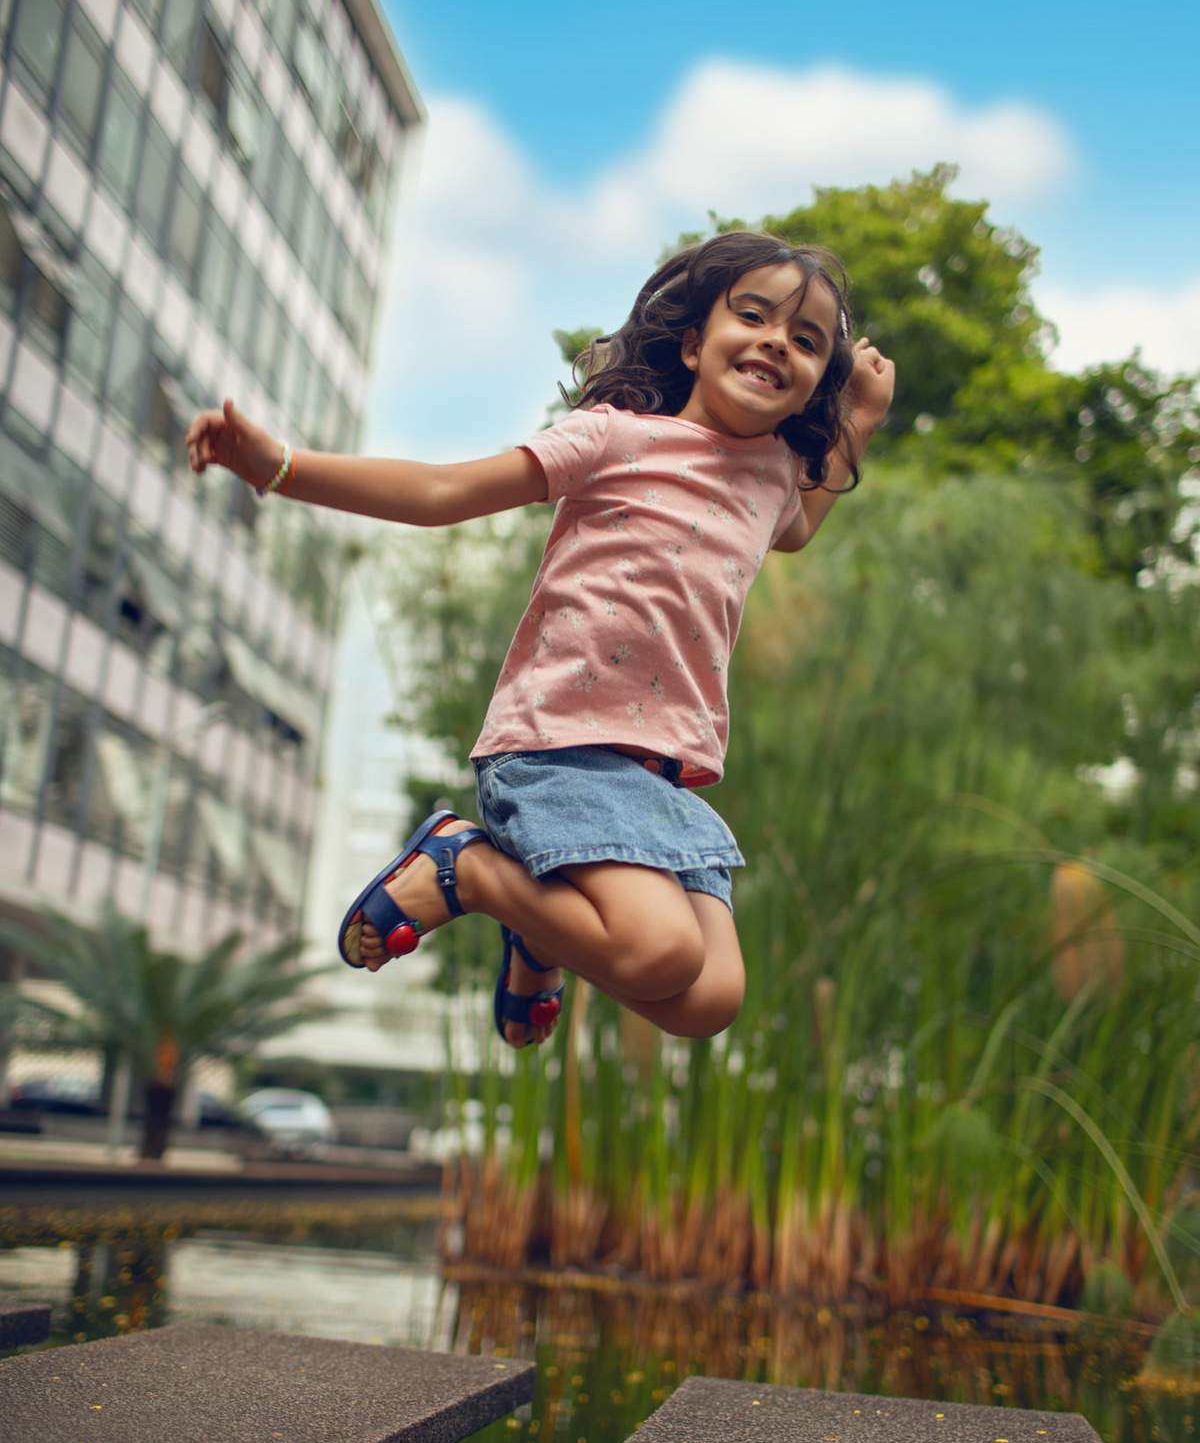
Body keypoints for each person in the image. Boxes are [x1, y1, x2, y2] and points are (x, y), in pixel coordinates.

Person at [186, 230, 894, 1050]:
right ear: (696, 344)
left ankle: (537, 929)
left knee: (710, 1000)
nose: (778, 341)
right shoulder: (615, 437)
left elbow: (799, 527)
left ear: (812, 388)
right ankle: (472, 870)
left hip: (665, 777)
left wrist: (861, 420)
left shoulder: (773, 475)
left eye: (806, 341)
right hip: (565, 745)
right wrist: (281, 468)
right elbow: (443, 492)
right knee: (658, 949)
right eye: (755, 316)